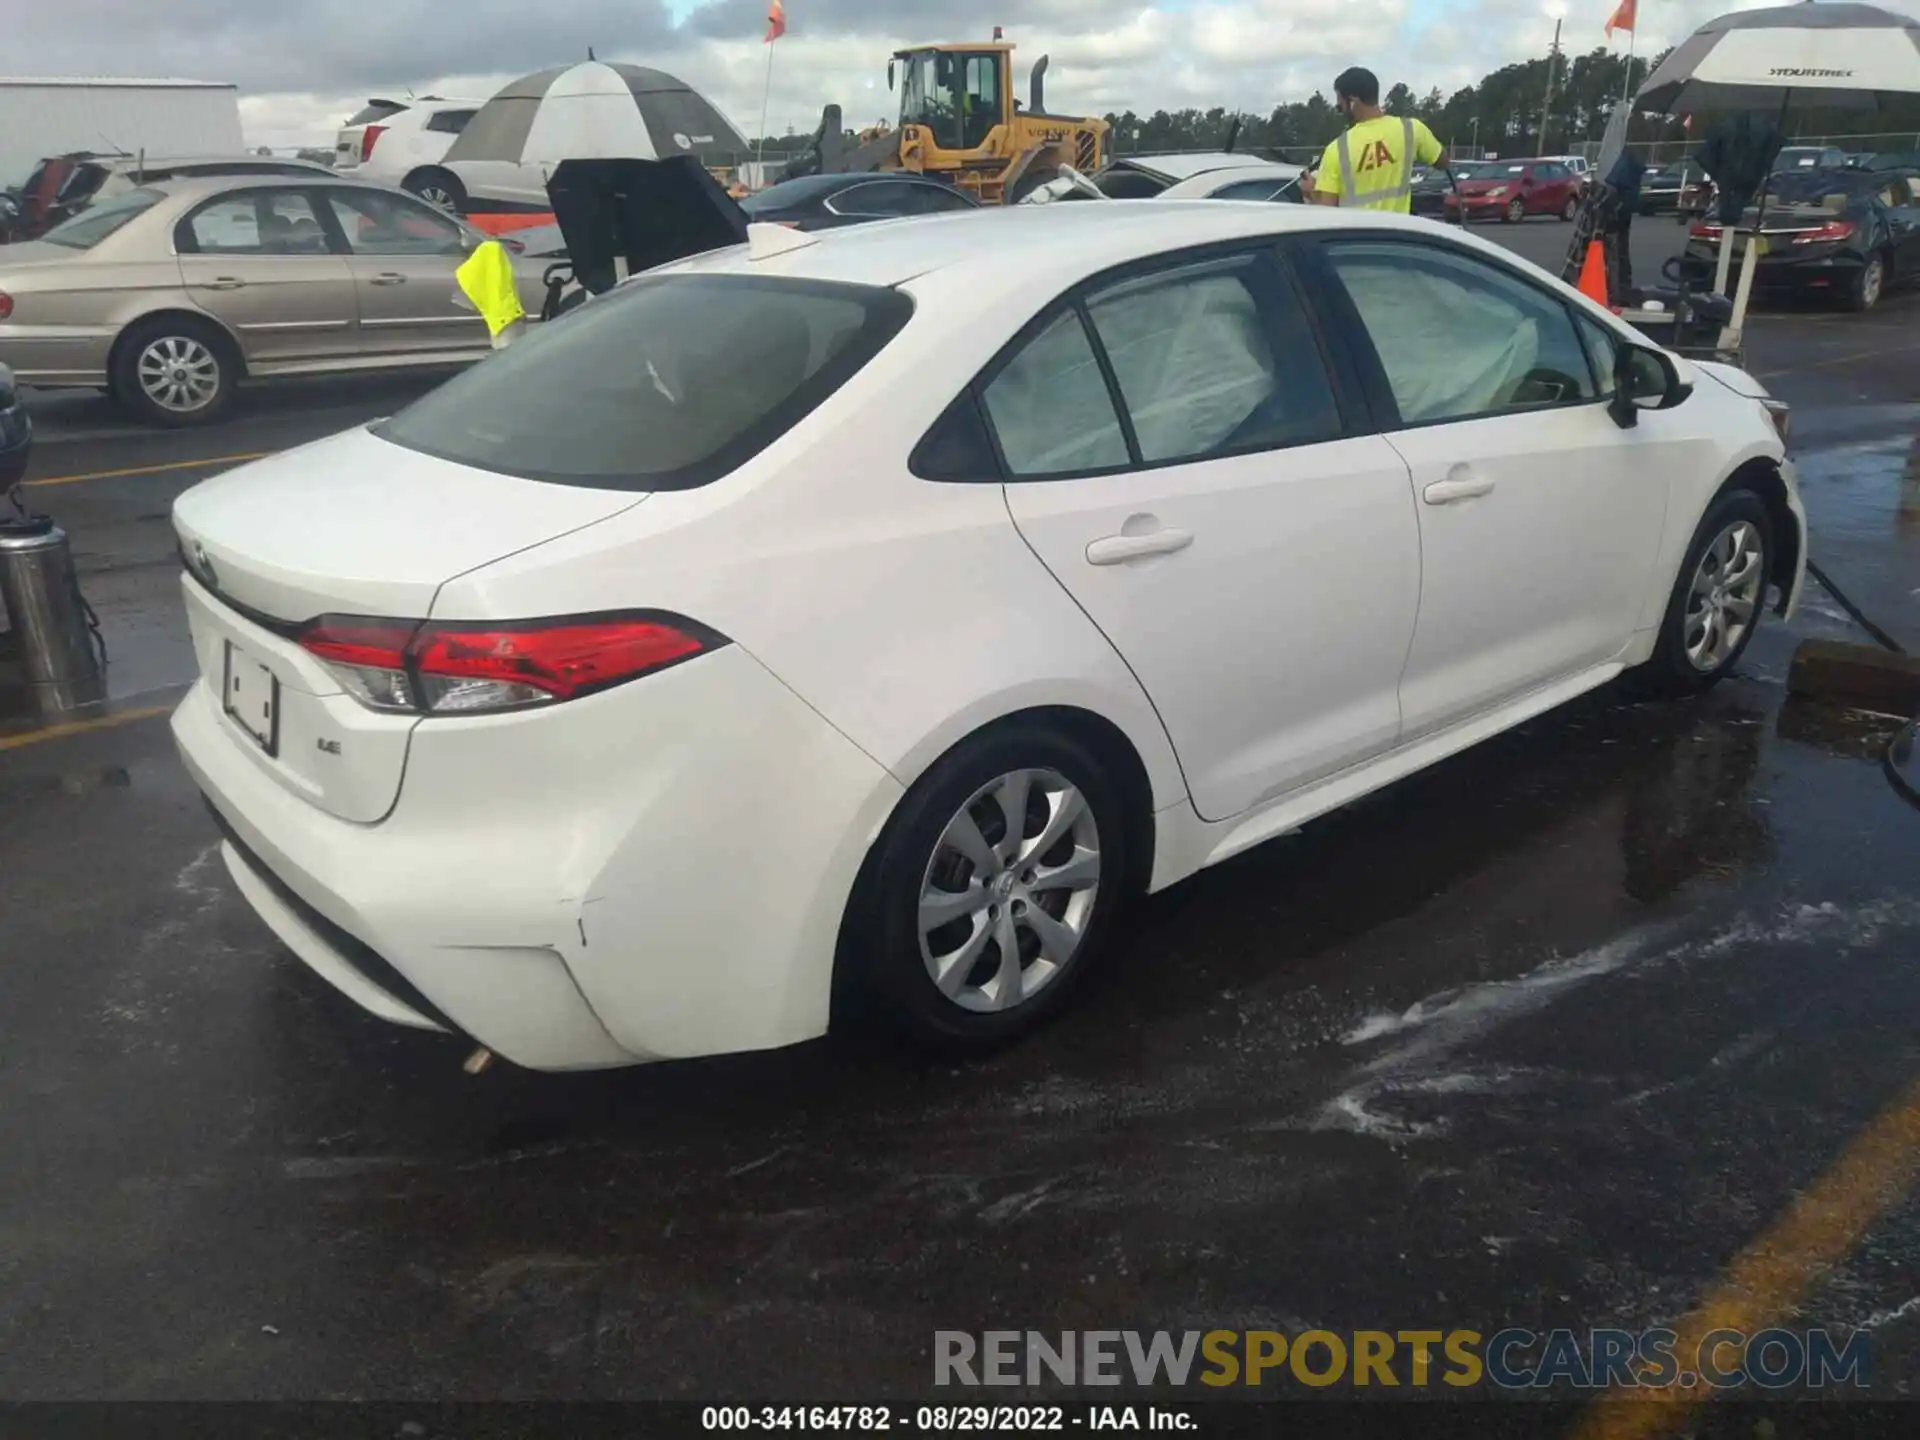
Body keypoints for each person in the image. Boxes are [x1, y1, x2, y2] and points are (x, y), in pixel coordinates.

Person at [1312, 67, 1446, 212]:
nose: (1341, 112)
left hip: (1358, 234)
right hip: (1400, 232)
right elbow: (1443, 161)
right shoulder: (1411, 129)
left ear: (1352, 102)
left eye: (1340, 107)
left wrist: (1311, 194)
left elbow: (1327, 213)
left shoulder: (1336, 149)